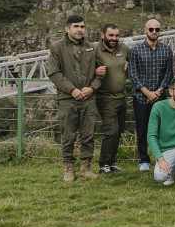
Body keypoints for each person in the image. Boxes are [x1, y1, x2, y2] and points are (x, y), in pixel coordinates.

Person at [47, 15, 103, 182]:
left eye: (83, 26)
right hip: (67, 99)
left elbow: (101, 72)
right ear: (67, 28)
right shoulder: (56, 48)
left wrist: (91, 88)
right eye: (76, 26)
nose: (80, 29)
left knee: (88, 134)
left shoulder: (92, 47)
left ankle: (86, 168)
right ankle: (69, 169)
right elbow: (54, 73)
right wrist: (72, 90)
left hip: (88, 98)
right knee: (68, 135)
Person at [128, 18, 173, 172]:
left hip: (160, 97)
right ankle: (144, 159)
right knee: (142, 129)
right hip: (141, 97)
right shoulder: (135, 50)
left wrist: (159, 91)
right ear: (144, 30)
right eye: (151, 29)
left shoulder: (167, 50)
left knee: (162, 129)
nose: (154, 32)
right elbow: (133, 74)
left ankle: (161, 158)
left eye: (157, 29)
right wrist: (147, 92)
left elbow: (168, 74)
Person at [94, 23, 129, 175]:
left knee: (119, 130)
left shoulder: (123, 49)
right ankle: (103, 165)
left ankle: (112, 162)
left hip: (122, 97)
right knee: (111, 131)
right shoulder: (95, 51)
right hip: (105, 98)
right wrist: (95, 71)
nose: (114, 38)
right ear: (103, 35)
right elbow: (83, 69)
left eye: (116, 35)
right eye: (111, 35)